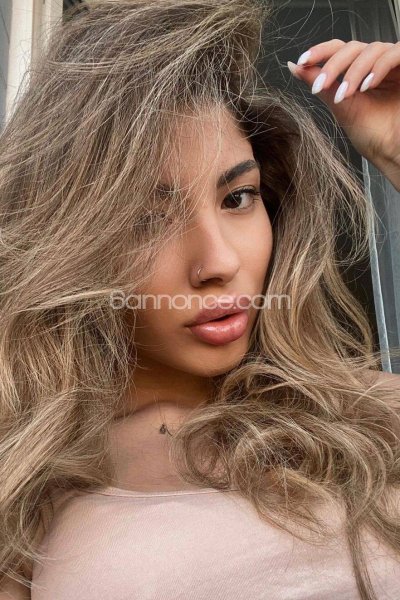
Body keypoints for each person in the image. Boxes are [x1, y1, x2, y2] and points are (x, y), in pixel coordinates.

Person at [1, 1, 400, 599]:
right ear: (68, 240)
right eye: (146, 220)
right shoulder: (26, 479)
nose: (218, 262)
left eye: (237, 198)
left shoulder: (371, 414)